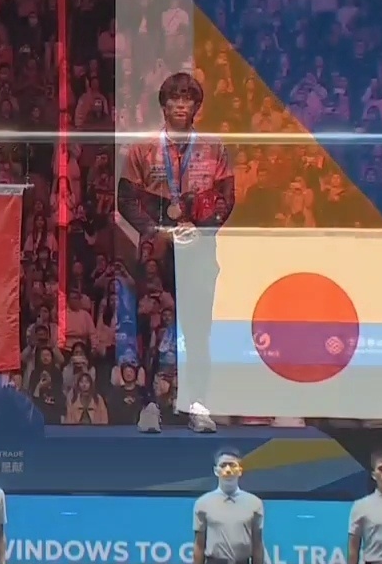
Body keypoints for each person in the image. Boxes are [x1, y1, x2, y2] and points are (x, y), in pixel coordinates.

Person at [118, 72, 233, 413]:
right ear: (163, 105)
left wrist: (204, 229)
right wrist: (156, 230)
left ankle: (198, 402)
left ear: (197, 106)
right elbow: (125, 200)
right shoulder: (142, 149)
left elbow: (228, 197)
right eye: (175, 99)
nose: (181, 105)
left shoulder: (214, 148)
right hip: (157, 249)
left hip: (199, 249)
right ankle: (149, 404)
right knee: (154, 323)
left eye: (188, 100)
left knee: (198, 332)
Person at [192, 448, 264, 564]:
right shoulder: (203, 503)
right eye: (223, 465)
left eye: (232, 465)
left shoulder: (254, 503)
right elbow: (199, 545)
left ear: (240, 470)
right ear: (216, 471)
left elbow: (257, 545)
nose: (228, 470)